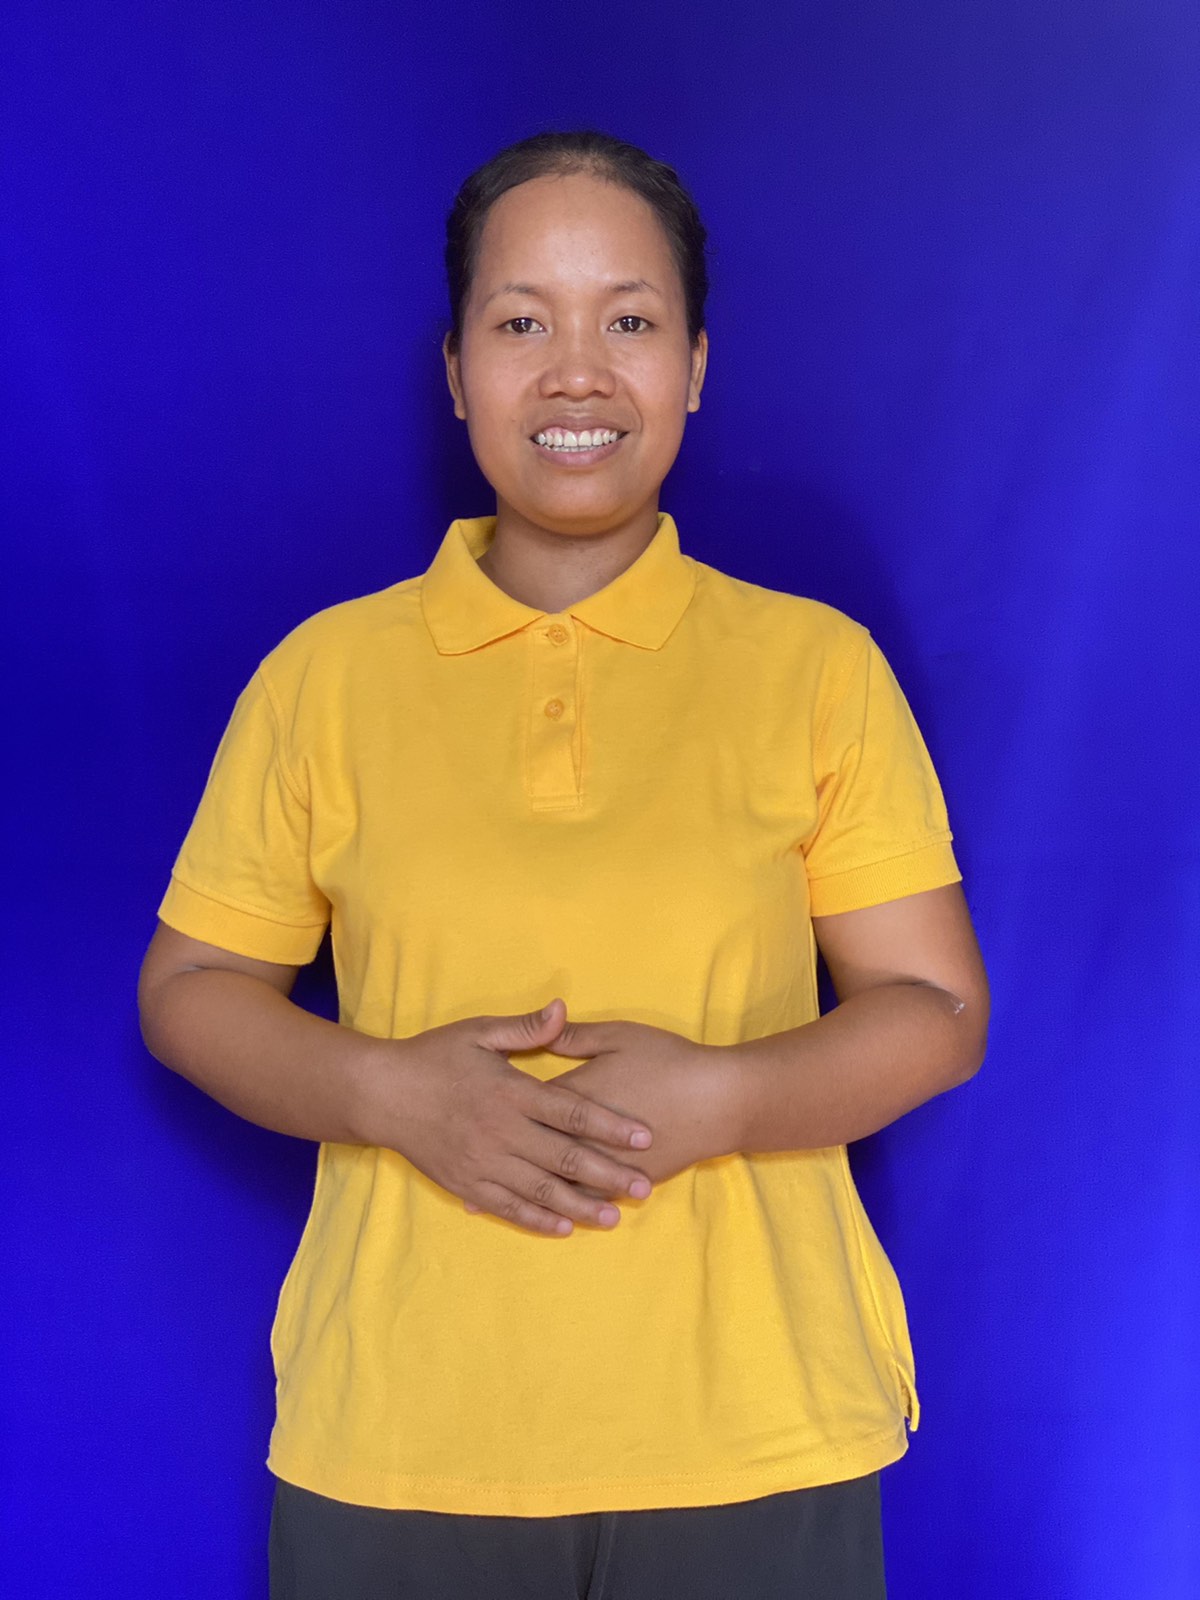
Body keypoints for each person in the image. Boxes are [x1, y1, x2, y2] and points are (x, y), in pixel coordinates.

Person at [138, 129, 990, 1600]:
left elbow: (937, 1009)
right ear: (456, 371)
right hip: (400, 1442)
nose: (577, 374)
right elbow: (190, 987)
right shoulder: (324, 678)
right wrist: (388, 1092)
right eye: (523, 322)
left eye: (631, 322)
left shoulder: (814, 668)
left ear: (697, 366)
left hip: (757, 1439)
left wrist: (727, 1098)